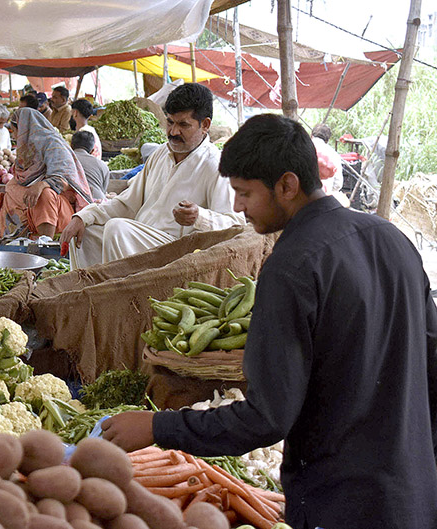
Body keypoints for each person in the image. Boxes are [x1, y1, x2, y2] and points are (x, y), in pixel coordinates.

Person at [102, 113, 437, 528]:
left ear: (287, 185)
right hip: (413, 494)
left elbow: (267, 417)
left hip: (339, 502)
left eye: (244, 193)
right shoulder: (392, 239)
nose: (238, 207)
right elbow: (433, 366)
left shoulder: (293, 266)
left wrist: (159, 425)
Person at [59, 83, 244, 268]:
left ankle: (120, 295)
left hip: (177, 252)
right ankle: (88, 294)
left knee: (117, 229)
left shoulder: (216, 165)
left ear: (205, 125)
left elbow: (236, 225)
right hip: (140, 241)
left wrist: (199, 217)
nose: (173, 132)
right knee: (84, 233)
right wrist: (84, 216)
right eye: (170, 122)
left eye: (183, 125)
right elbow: (127, 203)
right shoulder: (161, 153)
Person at [0, 108, 92, 240]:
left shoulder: (54, 145)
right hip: (19, 204)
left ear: (23, 129)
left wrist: (41, 185)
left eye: (15, 131)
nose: (13, 136)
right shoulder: (27, 149)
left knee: (44, 195)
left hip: (54, 208)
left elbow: (64, 180)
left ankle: (44, 246)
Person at [311, 123, 348, 205]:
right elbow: (338, 183)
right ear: (327, 140)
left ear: (311, 135)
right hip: (324, 200)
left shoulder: (303, 148)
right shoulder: (333, 154)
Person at [71, 131, 108, 201]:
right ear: (92, 151)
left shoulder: (66, 160)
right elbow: (103, 191)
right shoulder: (103, 166)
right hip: (98, 204)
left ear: (71, 146)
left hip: (74, 204)